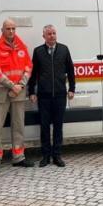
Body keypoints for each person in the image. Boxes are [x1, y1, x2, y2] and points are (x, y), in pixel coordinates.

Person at [0, 19, 34, 173]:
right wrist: (12, 85)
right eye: (8, 28)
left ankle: (19, 157)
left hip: (18, 90)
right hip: (2, 91)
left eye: (13, 28)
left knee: (18, 125)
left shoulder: (22, 46)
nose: (11, 31)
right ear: (2, 30)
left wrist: (20, 85)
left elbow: (28, 67)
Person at [28, 25, 76, 167]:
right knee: (44, 127)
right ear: (44, 36)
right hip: (44, 96)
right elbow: (33, 74)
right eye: (49, 34)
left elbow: (71, 71)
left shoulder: (64, 49)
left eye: (54, 33)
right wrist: (31, 91)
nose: (52, 36)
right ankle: (45, 156)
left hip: (60, 95)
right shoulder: (38, 52)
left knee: (58, 127)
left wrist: (72, 88)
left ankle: (57, 156)